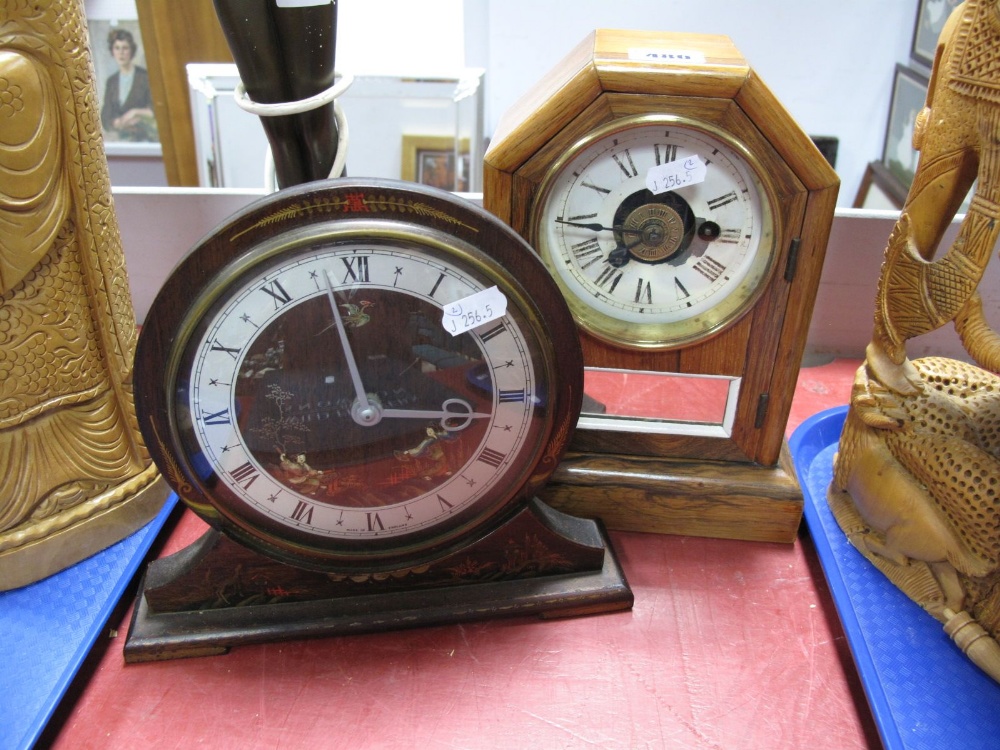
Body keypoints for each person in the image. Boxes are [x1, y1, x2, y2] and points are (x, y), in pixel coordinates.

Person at [100, 28, 156, 141]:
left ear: (132, 51)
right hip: (120, 137)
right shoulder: (112, 81)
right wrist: (117, 123)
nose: (121, 53)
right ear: (112, 51)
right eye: (117, 48)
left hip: (144, 137)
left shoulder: (145, 77)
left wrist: (135, 113)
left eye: (125, 48)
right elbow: (106, 115)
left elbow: (155, 110)